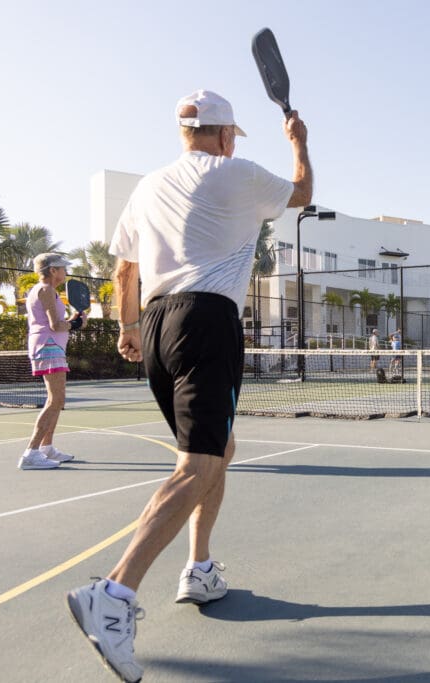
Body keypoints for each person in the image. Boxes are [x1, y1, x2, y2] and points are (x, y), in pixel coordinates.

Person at [67, 89, 312, 683]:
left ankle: (199, 568)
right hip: (206, 323)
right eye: (233, 137)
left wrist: (127, 327)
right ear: (225, 136)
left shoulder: (148, 186)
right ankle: (114, 592)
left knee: (215, 451)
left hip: (155, 324)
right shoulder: (236, 173)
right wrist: (299, 143)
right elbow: (303, 195)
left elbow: (124, 267)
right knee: (198, 465)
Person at [19, 253, 85, 470]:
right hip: (48, 346)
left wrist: (74, 321)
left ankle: (46, 448)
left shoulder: (48, 291)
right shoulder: (45, 289)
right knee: (55, 400)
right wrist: (74, 324)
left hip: (52, 346)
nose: (65, 271)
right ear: (53, 270)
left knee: (57, 399)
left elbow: (57, 323)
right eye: (62, 268)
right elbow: (55, 325)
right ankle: (31, 452)